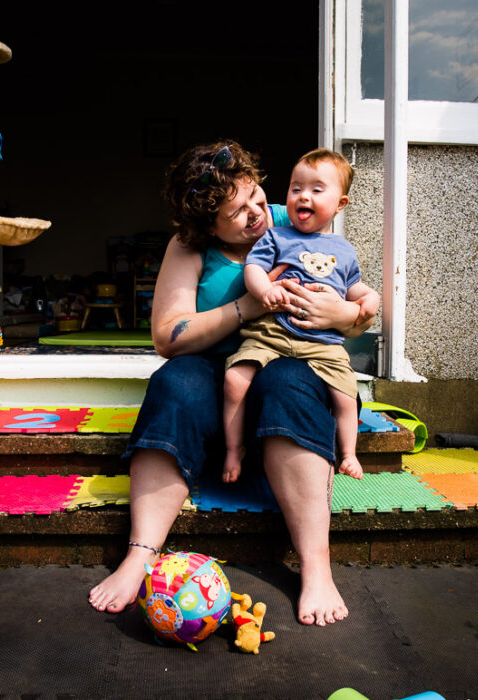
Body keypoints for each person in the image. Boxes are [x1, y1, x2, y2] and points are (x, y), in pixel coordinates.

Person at [87, 141, 374, 626]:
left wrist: (347, 313)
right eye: (237, 213)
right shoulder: (188, 245)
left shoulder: (294, 219)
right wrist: (247, 306)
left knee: (290, 379)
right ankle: (139, 554)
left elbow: (354, 296)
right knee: (175, 382)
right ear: (206, 226)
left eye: (257, 198)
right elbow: (166, 336)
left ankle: (317, 567)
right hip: (212, 381)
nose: (256, 214)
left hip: (281, 372)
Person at [221, 148, 379, 485]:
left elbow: (354, 289)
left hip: (323, 344)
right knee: (235, 379)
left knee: (346, 396)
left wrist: (370, 299)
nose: (303, 196)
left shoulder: (343, 249)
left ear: (340, 204)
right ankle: (234, 450)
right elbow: (254, 268)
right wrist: (264, 291)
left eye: (316, 190)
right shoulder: (276, 236)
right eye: (296, 188)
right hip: (271, 334)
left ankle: (348, 453)